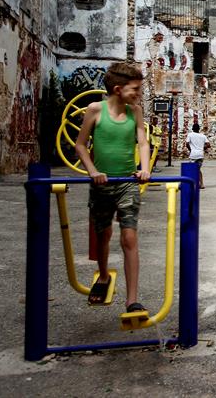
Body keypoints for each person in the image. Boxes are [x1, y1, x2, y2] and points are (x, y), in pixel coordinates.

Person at [75, 62, 150, 313]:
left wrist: (145, 168)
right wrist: (93, 171)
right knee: (103, 234)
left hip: (127, 182)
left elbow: (142, 142)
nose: (138, 93)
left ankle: (132, 299)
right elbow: (81, 145)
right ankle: (104, 276)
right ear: (118, 89)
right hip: (103, 183)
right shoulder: (95, 110)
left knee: (129, 237)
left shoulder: (135, 112)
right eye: (135, 89)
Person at [186, 123, 209, 189]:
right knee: (198, 169)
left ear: (192, 129)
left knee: (192, 170)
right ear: (199, 129)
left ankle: (192, 184)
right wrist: (202, 148)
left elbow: (187, 143)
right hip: (200, 155)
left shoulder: (190, 135)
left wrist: (190, 149)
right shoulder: (203, 136)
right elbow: (208, 144)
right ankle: (201, 184)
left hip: (193, 154)